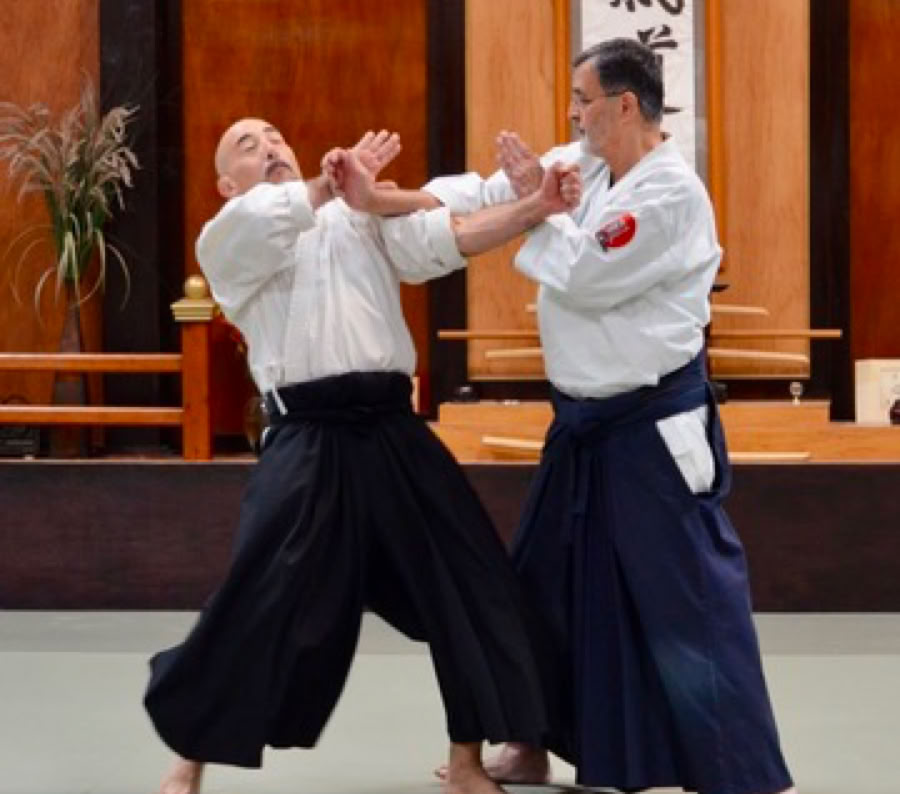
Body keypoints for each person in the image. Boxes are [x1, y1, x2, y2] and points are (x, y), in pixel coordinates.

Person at [338, 37, 797, 794]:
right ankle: (530, 740)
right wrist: (376, 197)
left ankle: (743, 773)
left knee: (688, 602)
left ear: (624, 105)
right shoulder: (581, 164)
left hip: (650, 429)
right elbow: (481, 196)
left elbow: (585, 274)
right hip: (581, 429)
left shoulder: (671, 193)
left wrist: (535, 207)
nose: (574, 115)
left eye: (583, 102)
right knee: (540, 589)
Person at [143, 118, 567, 794]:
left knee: (470, 581)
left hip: (391, 428)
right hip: (307, 438)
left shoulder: (355, 215)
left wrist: (532, 208)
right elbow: (265, 221)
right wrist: (325, 185)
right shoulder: (227, 238)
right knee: (261, 594)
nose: (270, 146)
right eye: (247, 147)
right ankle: (190, 755)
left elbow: (447, 237)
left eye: (276, 137)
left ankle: (466, 760)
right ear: (227, 182)